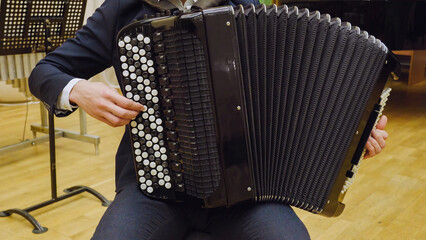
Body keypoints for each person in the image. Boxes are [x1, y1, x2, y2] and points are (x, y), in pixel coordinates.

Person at [28, 0, 388, 239]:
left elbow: (306, 89)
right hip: (154, 191)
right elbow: (47, 71)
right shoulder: (125, 8)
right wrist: (78, 90)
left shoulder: (245, 7)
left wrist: (353, 137)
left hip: (248, 192)